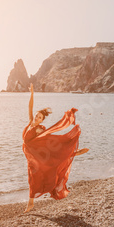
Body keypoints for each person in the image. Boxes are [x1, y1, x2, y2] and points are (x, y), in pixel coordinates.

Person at [22, 83, 89, 213]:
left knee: (35, 178)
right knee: (31, 179)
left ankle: (73, 153)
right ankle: (31, 203)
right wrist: (31, 93)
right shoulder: (30, 122)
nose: (37, 118)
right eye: (37, 115)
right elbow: (30, 107)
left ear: (42, 121)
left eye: (39, 117)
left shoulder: (38, 129)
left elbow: (49, 141)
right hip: (31, 156)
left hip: (35, 156)